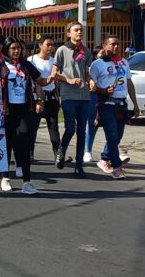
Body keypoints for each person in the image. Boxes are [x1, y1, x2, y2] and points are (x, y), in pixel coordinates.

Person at [1, 37, 49, 194]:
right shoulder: (0, 65)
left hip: (24, 109)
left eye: (18, 48)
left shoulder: (26, 65)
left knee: (24, 141)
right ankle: (5, 177)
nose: (16, 51)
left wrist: (54, 76)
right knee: (6, 143)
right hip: (6, 111)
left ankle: (27, 182)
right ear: (7, 49)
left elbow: (41, 81)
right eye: (13, 48)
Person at [89, 35, 140, 179]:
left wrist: (135, 104)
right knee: (111, 136)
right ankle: (117, 167)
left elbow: (129, 83)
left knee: (117, 136)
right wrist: (103, 91)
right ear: (105, 46)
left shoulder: (124, 62)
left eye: (118, 44)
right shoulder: (97, 64)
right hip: (106, 104)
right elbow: (91, 86)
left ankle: (104, 159)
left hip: (121, 104)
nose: (116, 47)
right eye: (112, 44)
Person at [51, 21, 94, 178]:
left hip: (84, 96)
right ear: (68, 33)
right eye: (76, 30)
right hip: (69, 95)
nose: (79, 33)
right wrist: (68, 80)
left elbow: (87, 72)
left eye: (81, 30)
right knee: (70, 129)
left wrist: (90, 80)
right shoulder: (62, 50)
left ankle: (79, 165)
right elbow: (54, 73)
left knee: (82, 131)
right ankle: (61, 151)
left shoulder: (87, 51)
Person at [28, 35, 61, 163]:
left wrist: (58, 96)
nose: (50, 47)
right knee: (33, 127)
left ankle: (57, 154)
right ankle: (30, 153)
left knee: (53, 126)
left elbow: (57, 80)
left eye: (52, 45)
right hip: (37, 97)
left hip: (51, 96)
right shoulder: (32, 60)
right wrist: (37, 99)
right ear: (41, 45)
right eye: (48, 44)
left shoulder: (54, 61)